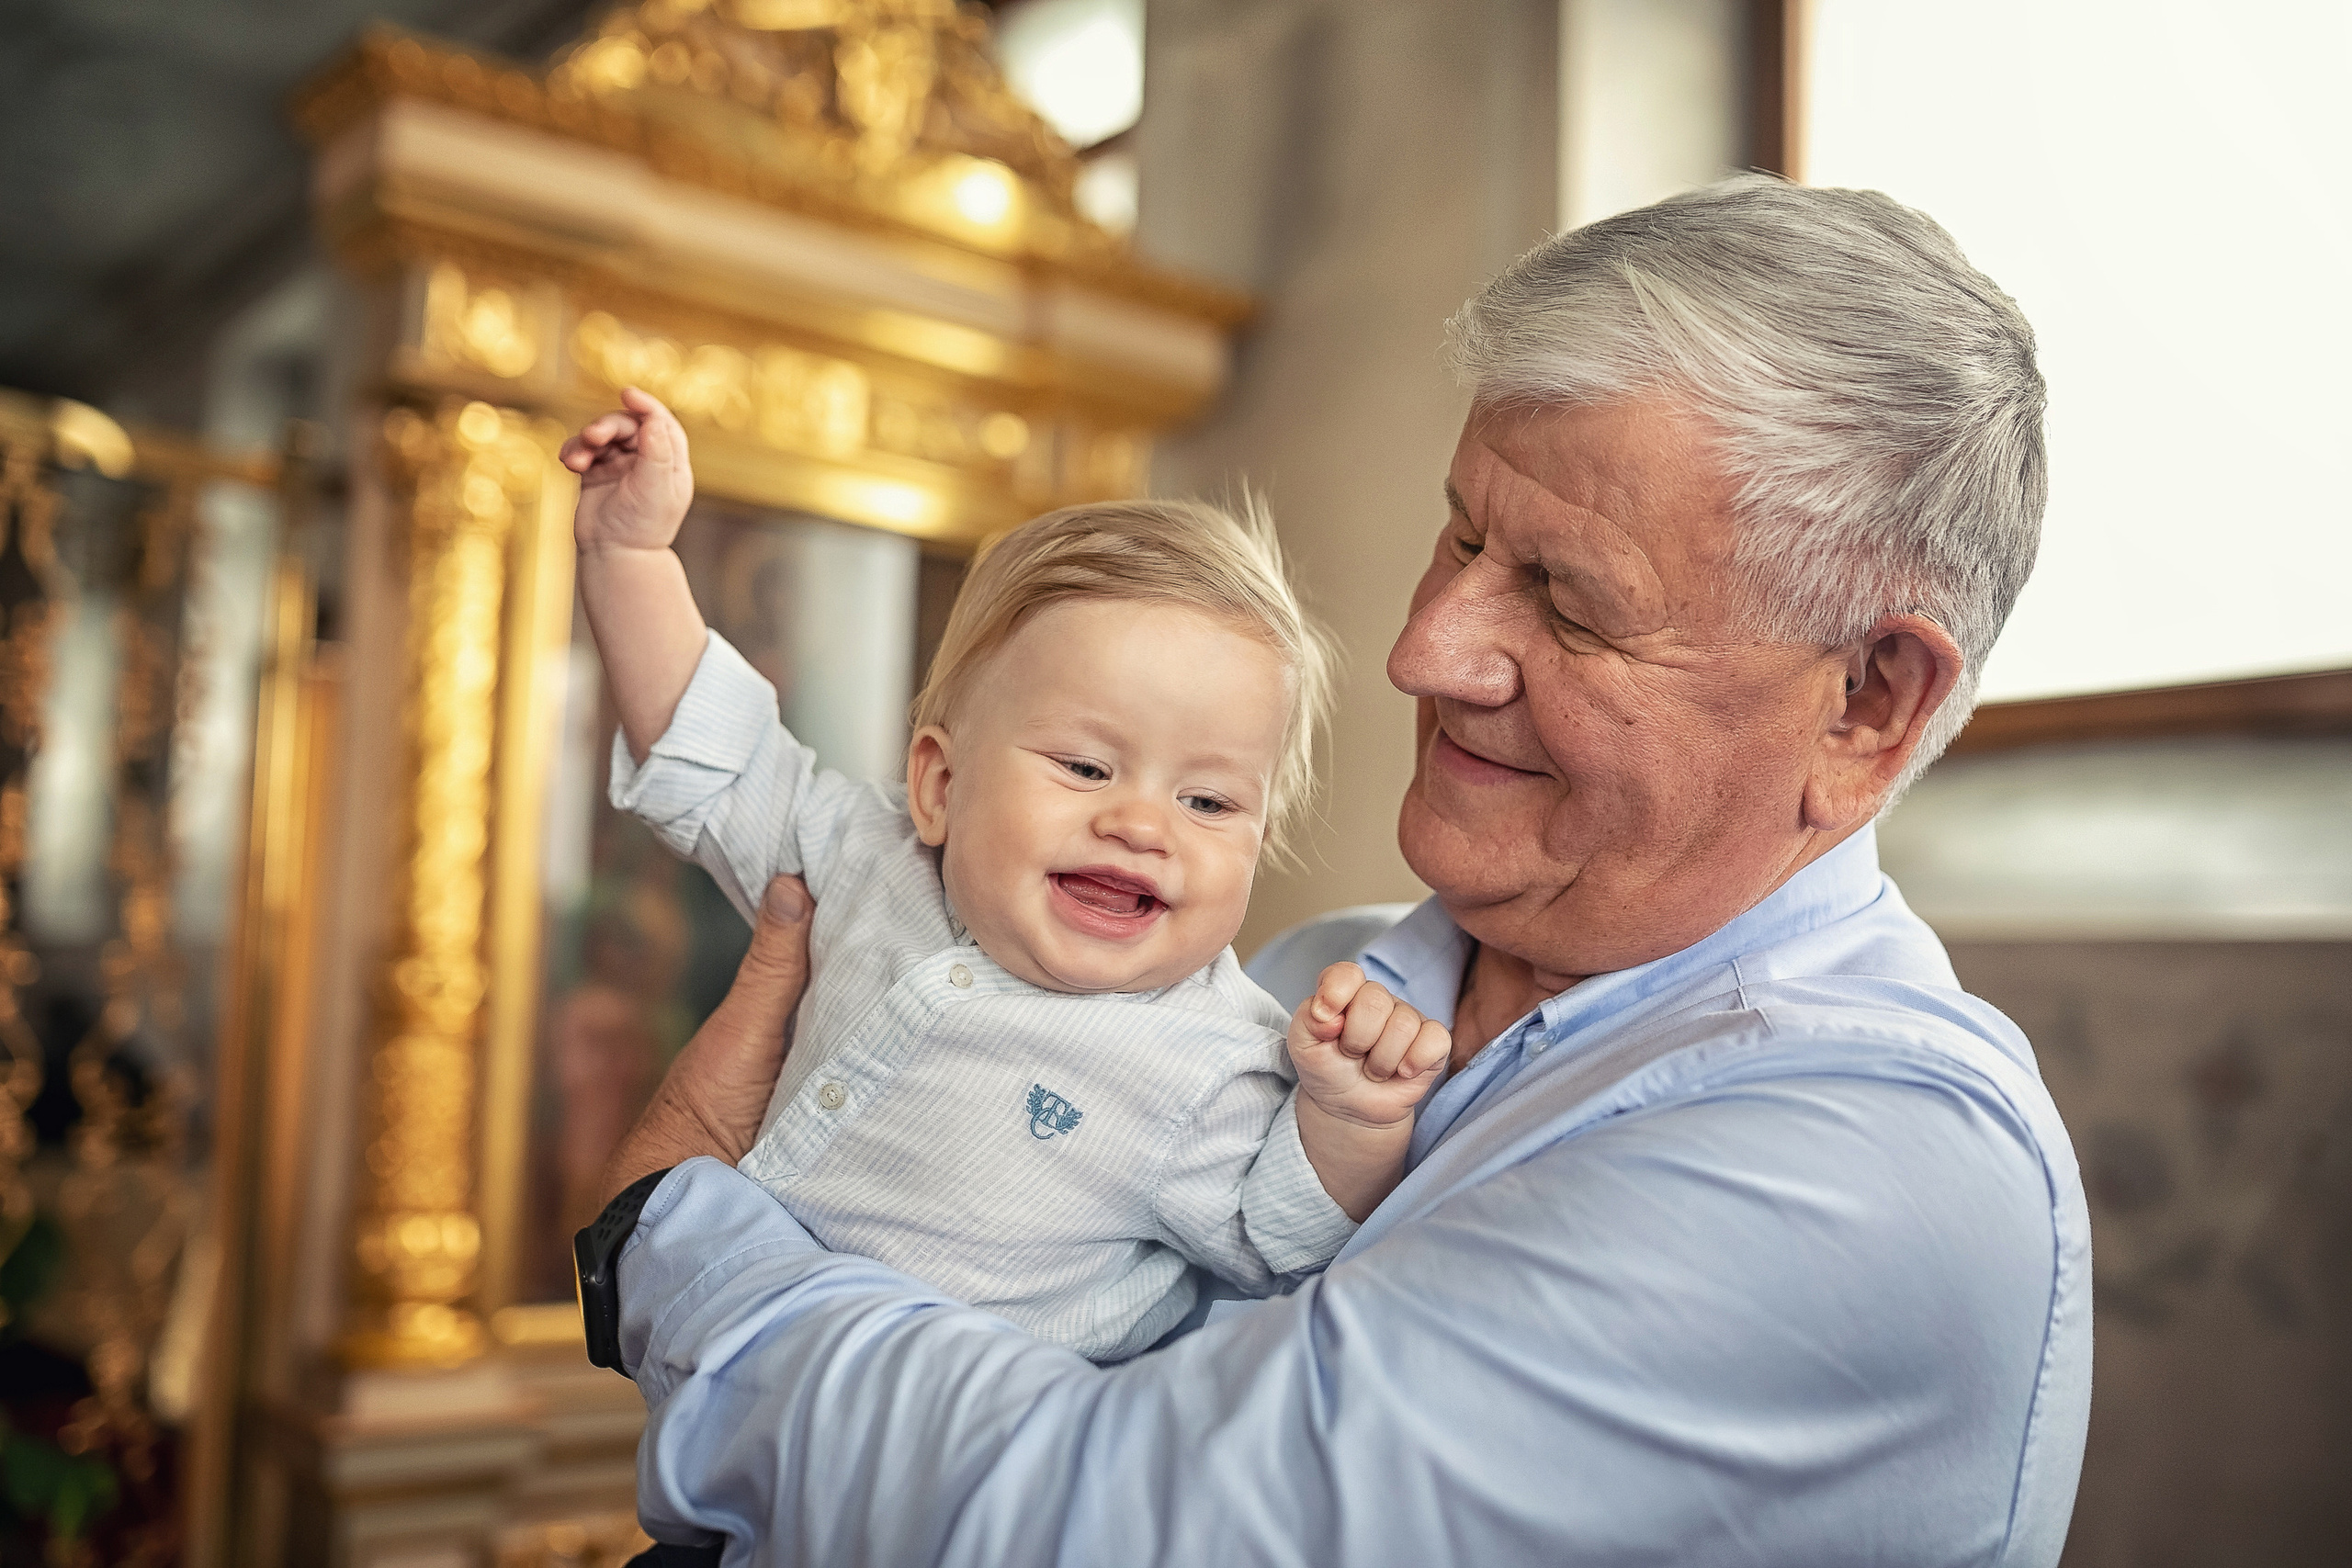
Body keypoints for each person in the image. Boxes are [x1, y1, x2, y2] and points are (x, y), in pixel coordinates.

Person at [593, 175, 2091, 1565]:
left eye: (1569, 600)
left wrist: (673, 1234)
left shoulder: (1871, 1160)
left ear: (1867, 702)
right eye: (1461, 534)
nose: (1422, 650)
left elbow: (1126, 1524)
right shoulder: (1315, 976)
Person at [559, 407, 1454, 1361]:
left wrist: (1351, 1115)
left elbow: (1275, 1239)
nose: (1142, 825)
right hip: (725, 1397)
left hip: (943, 1438)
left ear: (1259, 841)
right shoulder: (867, 856)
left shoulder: (1213, 1059)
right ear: (940, 786)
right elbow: (714, 758)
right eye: (1086, 767)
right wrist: (631, 555)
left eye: (1207, 801)